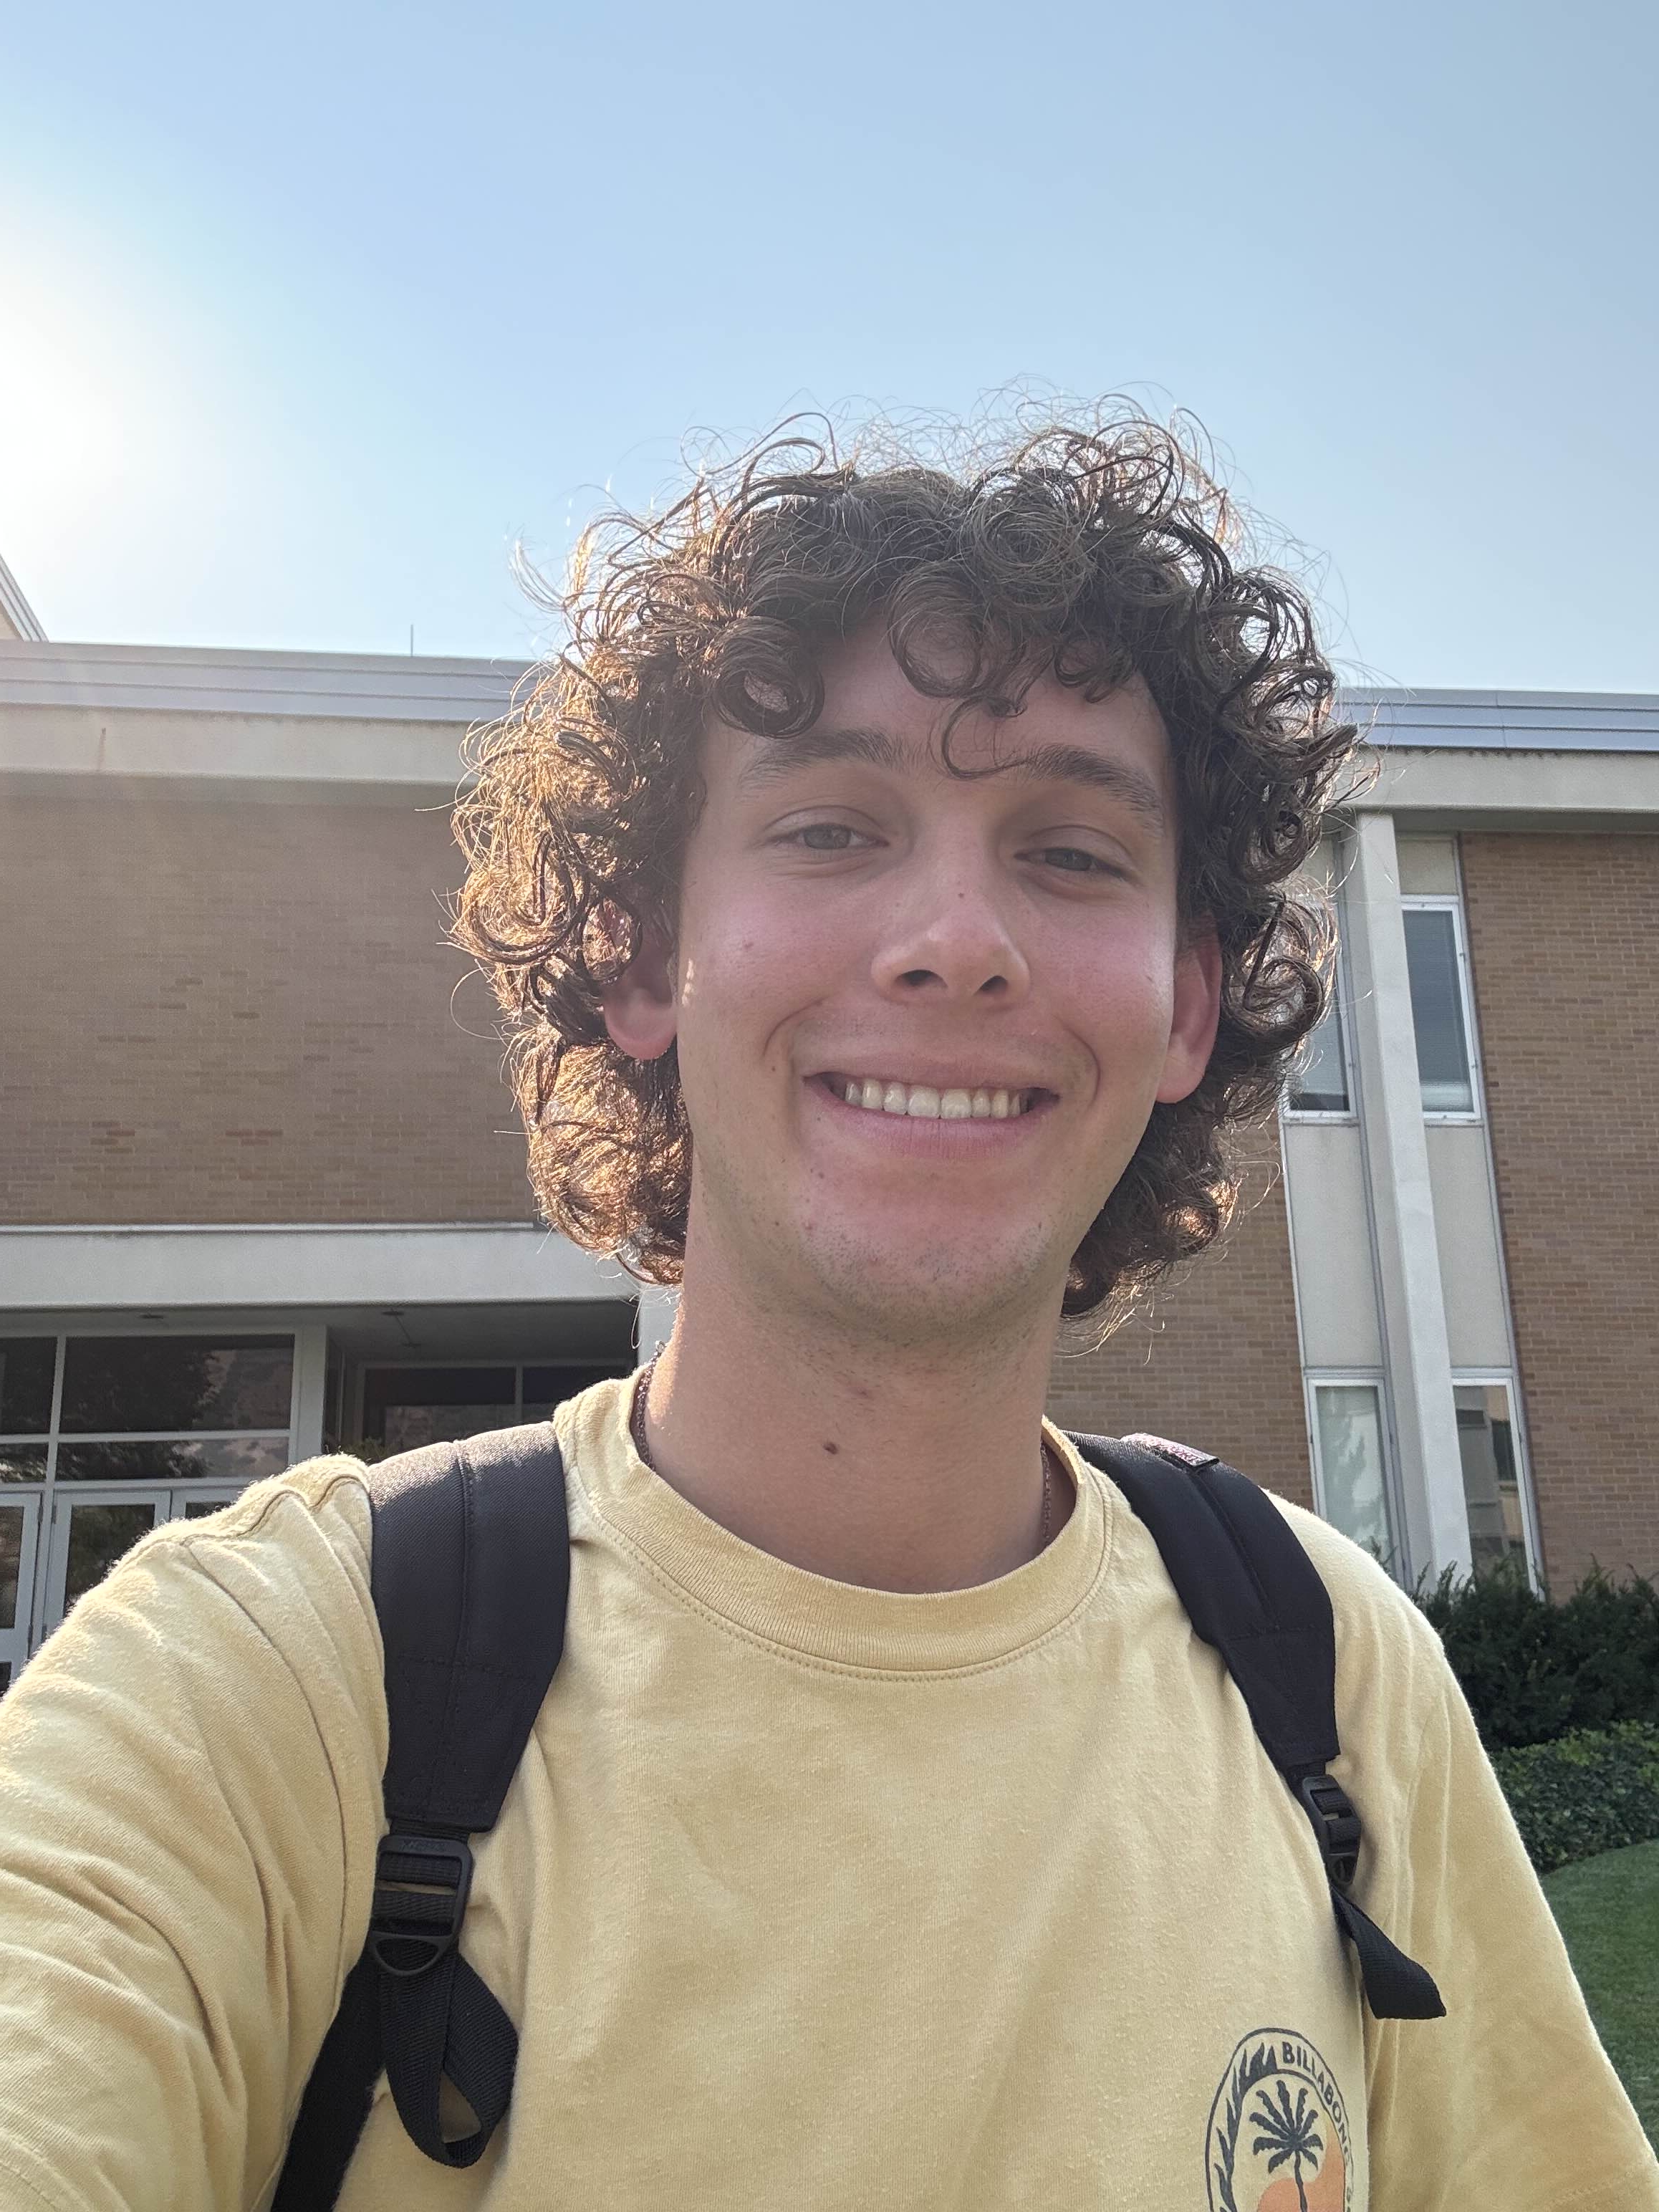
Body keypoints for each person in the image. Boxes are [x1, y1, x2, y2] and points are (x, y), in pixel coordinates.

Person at [0, 412, 1651, 2212]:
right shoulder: (255, 1690)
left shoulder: (1331, 1670)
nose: (958, 938)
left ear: (1187, 1005)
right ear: (642, 953)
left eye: (1072, 850)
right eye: (831, 827)